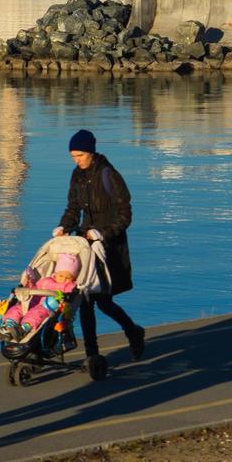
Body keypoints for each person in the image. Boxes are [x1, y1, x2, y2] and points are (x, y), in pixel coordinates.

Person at [55, 129, 146, 365]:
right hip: (86, 245)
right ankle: (92, 355)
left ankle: (133, 331)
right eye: (73, 156)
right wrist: (63, 227)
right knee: (85, 301)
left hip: (109, 247)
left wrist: (103, 233)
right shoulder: (77, 175)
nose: (77, 160)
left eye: (80, 155)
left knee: (103, 302)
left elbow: (125, 215)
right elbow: (73, 208)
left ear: (91, 153)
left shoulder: (109, 175)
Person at [0, 252, 79, 339]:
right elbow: (35, 288)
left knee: (35, 314)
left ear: (73, 278)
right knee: (16, 309)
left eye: (67, 278)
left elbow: (70, 294)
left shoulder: (68, 286)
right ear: (55, 274)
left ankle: (23, 330)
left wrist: (72, 291)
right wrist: (29, 282)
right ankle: (8, 327)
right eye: (61, 276)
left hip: (45, 307)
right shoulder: (46, 281)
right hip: (32, 302)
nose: (63, 279)